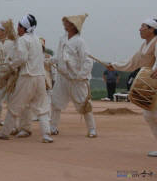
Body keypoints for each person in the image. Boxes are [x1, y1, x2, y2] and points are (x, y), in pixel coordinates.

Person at [0, 14, 53, 143]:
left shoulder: (23, 40)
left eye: (19, 26)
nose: (17, 28)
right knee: (42, 107)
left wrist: (11, 65)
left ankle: (5, 132)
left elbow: (22, 58)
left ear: (23, 28)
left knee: (15, 105)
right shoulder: (38, 40)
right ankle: (46, 135)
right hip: (39, 77)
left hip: (27, 77)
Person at [107, 17, 157, 157]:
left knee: (152, 115)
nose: (139, 29)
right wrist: (114, 65)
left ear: (152, 29)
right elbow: (132, 63)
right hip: (152, 84)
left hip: (154, 83)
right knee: (149, 115)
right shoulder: (144, 46)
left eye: (143, 26)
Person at [49, 14, 97, 138]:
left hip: (76, 79)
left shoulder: (80, 42)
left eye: (68, 23)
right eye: (65, 22)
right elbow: (59, 56)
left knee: (84, 104)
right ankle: (52, 127)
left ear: (74, 26)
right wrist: (50, 60)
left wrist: (81, 75)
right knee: (55, 102)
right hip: (62, 77)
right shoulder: (62, 39)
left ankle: (92, 129)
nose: (65, 24)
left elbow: (87, 60)